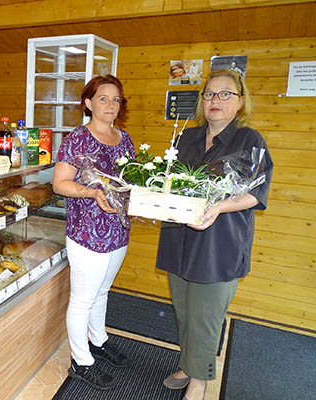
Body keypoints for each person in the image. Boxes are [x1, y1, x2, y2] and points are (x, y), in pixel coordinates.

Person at [157, 69, 273, 400]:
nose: (215, 101)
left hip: (217, 246)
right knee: (183, 310)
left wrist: (218, 208)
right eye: (209, 94)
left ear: (240, 102)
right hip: (179, 239)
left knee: (206, 317)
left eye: (225, 94)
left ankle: (200, 378)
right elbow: (171, 184)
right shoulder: (186, 139)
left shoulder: (250, 140)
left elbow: (256, 192)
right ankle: (187, 363)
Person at [53, 75, 135, 390]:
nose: (111, 105)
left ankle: (98, 341)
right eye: (103, 98)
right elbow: (59, 183)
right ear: (88, 103)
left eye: (116, 99)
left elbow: (129, 180)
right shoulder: (78, 138)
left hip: (118, 232)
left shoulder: (125, 139)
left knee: (102, 292)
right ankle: (81, 360)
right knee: (83, 299)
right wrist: (92, 194)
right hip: (87, 235)